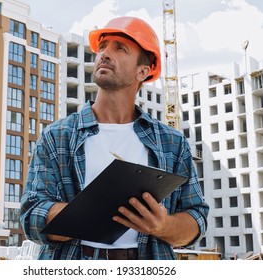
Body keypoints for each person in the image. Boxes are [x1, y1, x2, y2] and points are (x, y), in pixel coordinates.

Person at [19, 16, 209, 260]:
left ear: (143, 71)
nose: (104, 54)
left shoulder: (172, 143)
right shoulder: (57, 137)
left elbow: (197, 219)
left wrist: (163, 226)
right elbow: (30, 215)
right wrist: (84, 214)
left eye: (120, 48)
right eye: (102, 46)